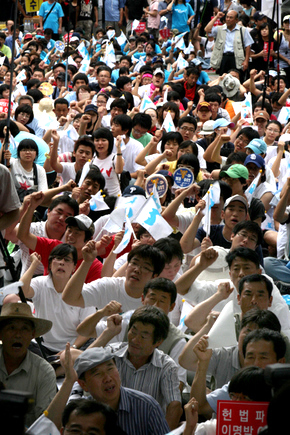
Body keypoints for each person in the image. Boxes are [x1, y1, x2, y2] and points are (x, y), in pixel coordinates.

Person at [191, 327, 286, 418]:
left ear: (280, 362)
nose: (256, 363)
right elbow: (199, 407)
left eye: (263, 358)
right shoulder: (238, 388)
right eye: (250, 357)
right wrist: (202, 363)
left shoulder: (286, 390)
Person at [74, 346, 170, 435]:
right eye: (97, 374)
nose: (107, 378)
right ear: (83, 384)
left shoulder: (147, 407)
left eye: (110, 369)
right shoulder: (80, 415)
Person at [20, 246, 95, 355]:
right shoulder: (40, 283)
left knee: (92, 349)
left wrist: (71, 349)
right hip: (42, 346)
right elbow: (22, 291)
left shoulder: (84, 290)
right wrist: (34, 265)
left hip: (74, 346)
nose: (61, 263)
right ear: (50, 264)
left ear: (74, 267)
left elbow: (88, 329)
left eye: (67, 260)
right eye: (58, 258)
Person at [17, 192, 103, 283]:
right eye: (69, 230)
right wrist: (31, 207)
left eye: (77, 233)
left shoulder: (94, 266)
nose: (70, 235)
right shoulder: (53, 246)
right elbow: (23, 235)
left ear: (89, 239)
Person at [62, 243, 165, 311]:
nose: (137, 269)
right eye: (134, 263)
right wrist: (87, 262)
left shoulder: (155, 301)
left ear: (154, 276)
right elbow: (69, 299)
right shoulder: (109, 286)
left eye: (145, 267)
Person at [0, 302, 56, 426]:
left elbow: (44, 424)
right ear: (0, 333)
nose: (18, 335)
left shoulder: (44, 372)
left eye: (24, 328)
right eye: (11, 328)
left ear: (32, 334)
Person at [205, 11, 253, 77]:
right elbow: (207, 29)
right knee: (223, 79)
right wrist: (216, 17)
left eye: (231, 17)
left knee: (237, 80)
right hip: (223, 58)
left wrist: (246, 61)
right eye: (227, 17)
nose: (228, 19)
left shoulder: (243, 30)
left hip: (236, 58)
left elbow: (248, 46)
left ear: (236, 20)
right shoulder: (220, 29)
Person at [4, 138, 48, 203]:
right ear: (18, 153)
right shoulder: (11, 162)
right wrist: (6, 138)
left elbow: (43, 192)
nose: (28, 152)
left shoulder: (40, 170)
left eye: (31, 150)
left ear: (36, 153)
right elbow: (2, 160)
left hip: (31, 204)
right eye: (24, 150)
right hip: (11, 202)